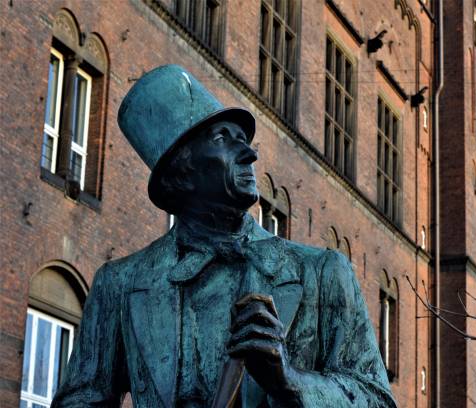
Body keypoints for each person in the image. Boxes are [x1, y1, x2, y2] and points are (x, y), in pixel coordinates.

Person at [51, 65, 396, 407]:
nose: (250, 154)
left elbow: (378, 401)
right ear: (181, 173)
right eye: (222, 139)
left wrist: (288, 382)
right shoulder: (121, 285)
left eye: (243, 140)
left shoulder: (322, 273)